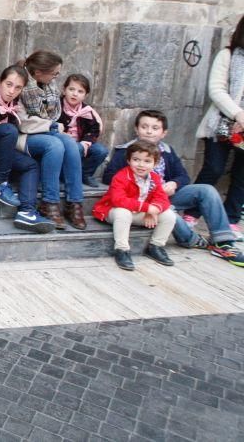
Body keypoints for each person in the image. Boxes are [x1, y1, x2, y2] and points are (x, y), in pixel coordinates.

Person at [103, 110, 244, 266]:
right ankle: (190, 239)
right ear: (137, 129)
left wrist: (174, 183)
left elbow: (183, 176)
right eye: (144, 127)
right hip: (139, 201)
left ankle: (223, 242)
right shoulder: (126, 151)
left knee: (206, 190)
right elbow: (109, 177)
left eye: (155, 128)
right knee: (169, 214)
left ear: (164, 133)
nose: (149, 131)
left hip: (165, 195)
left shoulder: (168, 151)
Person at [0, 66, 55, 232]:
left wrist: (1, 160)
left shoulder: (12, 104)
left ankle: (26, 212)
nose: (11, 91)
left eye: (18, 87)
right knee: (8, 130)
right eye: (8, 84)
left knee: (31, 165)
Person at [19, 50, 87, 229]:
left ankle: (75, 202)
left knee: (70, 144)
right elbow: (23, 123)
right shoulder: (23, 85)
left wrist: (53, 127)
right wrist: (52, 126)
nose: (57, 76)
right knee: (55, 144)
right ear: (39, 72)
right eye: (54, 73)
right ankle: (49, 203)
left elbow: (53, 116)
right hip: (24, 136)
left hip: (46, 131)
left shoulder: (49, 87)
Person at [93, 140, 177, 271]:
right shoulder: (121, 177)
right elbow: (118, 200)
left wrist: (152, 211)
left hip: (139, 212)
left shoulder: (154, 178)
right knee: (123, 212)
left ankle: (156, 246)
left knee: (169, 216)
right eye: (136, 160)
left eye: (147, 161)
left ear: (155, 163)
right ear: (128, 161)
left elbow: (162, 199)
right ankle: (122, 250)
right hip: (113, 211)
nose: (141, 165)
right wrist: (147, 208)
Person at [194, 16, 244, 233]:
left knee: (242, 175)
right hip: (221, 123)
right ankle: (191, 212)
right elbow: (216, 89)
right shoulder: (228, 55)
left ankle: (230, 219)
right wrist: (239, 114)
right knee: (213, 168)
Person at [57, 74, 108, 188]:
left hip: (81, 142)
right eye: (71, 89)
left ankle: (85, 174)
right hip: (62, 143)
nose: (75, 94)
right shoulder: (57, 106)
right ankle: (66, 176)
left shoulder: (86, 111)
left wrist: (86, 141)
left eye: (80, 91)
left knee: (101, 150)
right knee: (77, 148)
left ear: (85, 95)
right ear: (64, 90)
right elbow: (50, 122)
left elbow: (94, 129)